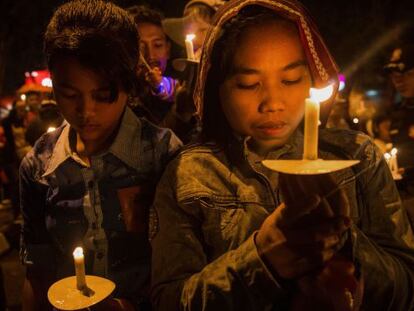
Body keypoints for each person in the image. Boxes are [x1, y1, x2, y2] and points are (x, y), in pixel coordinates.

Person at [150, 1, 414, 310]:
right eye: (248, 84)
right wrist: (262, 257)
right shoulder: (190, 174)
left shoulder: (357, 156)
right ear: (215, 86)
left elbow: (407, 287)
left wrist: (342, 239)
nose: (273, 103)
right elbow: (169, 301)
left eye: (290, 80)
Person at [19, 1, 181, 310]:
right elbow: (36, 273)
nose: (86, 111)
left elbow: (181, 270)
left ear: (128, 81)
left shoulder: (162, 154)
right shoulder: (39, 166)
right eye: (69, 95)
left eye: (103, 95)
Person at [384, 43, 414, 187]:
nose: (399, 81)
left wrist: (410, 173)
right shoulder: (398, 111)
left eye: (408, 74)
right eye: (395, 75)